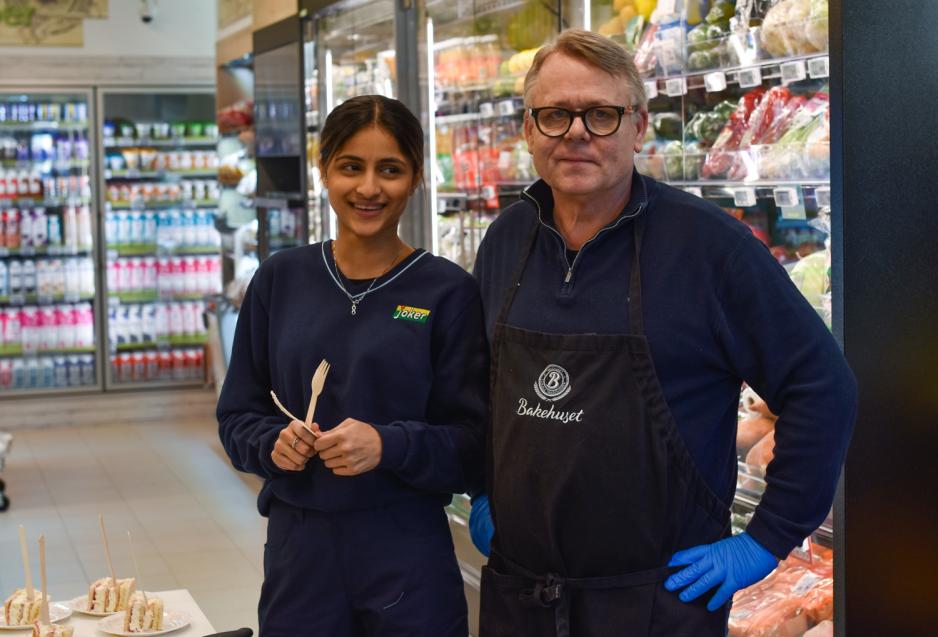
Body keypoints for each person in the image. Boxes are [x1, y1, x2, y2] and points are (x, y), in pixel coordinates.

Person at [468, 29, 856, 636]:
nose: (575, 132)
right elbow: (477, 385)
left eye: (601, 114)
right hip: (521, 595)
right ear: (527, 128)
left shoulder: (711, 248)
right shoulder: (505, 242)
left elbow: (822, 384)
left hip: (657, 603)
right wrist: (480, 486)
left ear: (638, 126)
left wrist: (767, 538)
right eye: (554, 114)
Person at [217, 95, 487, 636]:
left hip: (407, 553)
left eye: (389, 170)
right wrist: (272, 443)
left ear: (414, 179)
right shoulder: (280, 279)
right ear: (324, 172)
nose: (368, 188)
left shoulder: (446, 290)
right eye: (350, 167)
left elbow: (475, 444)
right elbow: (237, 415)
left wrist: (388, 445)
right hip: (301, 551)